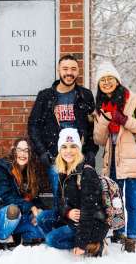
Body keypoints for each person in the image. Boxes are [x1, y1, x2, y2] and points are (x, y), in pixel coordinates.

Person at [93, 61, 136, 253]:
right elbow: (99, 139)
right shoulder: (100, 106)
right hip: (113, 161)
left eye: (110, 79)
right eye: (103, 80)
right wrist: (105, 120)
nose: (107, 83)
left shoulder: (134, 100)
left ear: (117, 80)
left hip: (133, 159)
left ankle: (131, 239)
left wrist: (124, 119)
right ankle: (119, 233)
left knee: (133, 202)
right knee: (116, 201)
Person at [28, 54, 98, 211]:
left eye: (73, 69)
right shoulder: (45, 96)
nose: (69, 73)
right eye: (65, 69)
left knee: (82, 196)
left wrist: (91, 152)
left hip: (79, 155)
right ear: (58, 70)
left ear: (78, 71)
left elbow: (93, 127)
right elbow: (33, 126)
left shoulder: (85, 95)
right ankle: (61, 229)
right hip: (55, 156)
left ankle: (79, 231)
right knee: (60, 197)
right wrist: (42, 152)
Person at [36, 128, 108, 257]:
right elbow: (59, 202)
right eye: (64, 147)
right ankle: (66, 239)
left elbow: (89, 212)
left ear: (79, 149)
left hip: (91, 224)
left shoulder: (87, 173)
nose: (68, 151)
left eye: (73, 146)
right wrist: (67, 212)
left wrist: (80, 244)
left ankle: (91, 243)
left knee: (50, 240)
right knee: (42, 218)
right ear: (59, 150)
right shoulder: (63, 171)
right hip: (72, 219)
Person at [0, 138, 45, 247]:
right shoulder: (1, 168)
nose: (22, 154)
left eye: (26, 150)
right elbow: (4, 197)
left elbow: (35, 198)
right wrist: (31, 207)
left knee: (42, 229)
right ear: (14, 151)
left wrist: (38, 210)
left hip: (21, 215)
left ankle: (17, 235)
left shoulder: (30, 172)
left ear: (30, 154)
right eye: (19, 150)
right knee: (13, 210)